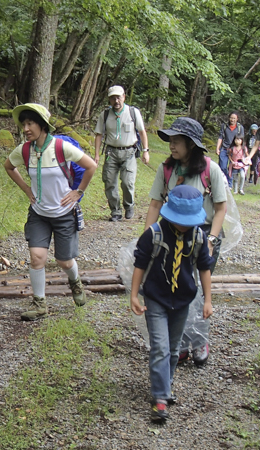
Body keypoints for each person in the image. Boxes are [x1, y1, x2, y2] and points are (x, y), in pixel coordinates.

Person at [145, 117, 226, 366]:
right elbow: (156, 204)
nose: (171, 144)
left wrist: (211, 239)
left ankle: (199, 340)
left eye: (177, 140)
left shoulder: (210, 169)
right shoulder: (166, 168)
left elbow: (221, 208)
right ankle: (178, 343)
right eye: (171, 139)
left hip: (203, 234)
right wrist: (148, 236)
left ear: (191, 144)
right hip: (173, 234)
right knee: (175, 286)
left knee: (197, 289)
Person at [4, 103, 96, 319]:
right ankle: (39, 304)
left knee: (64, 261)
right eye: (23, 124)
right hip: (38, 214)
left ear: (43, 125)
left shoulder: (61, 147)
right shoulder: (24, 150)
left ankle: (75, 283)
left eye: (30, 123)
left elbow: (91, 166)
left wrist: (78, 192)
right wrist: (27, 189)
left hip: (64, 214)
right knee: (37, 258)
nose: (25, 128)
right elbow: (8, 166)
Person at [131, 185, 213, 422]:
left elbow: (204, 268)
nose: (184, 225)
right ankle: (159, 398)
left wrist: (208, 300)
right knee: (160, 347)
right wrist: (134, 295)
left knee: (175, 349)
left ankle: (166, 386)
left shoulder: (198, 236)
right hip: (155, 298)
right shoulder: (154, 233)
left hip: (182, 300)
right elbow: (140, 264)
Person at [94, 85, 150, 221]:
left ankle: (129, 205)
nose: (116, 101)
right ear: (109, 100)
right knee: (109, 182)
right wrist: (96, 155)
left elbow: (142, 132)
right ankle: (115, 211)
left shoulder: (133, 112)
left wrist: (145, 151)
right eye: (113, 98)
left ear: (124, 97)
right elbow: (99, 134)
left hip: (129, 152)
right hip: (111, 153)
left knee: (127, 182)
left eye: (118, 97)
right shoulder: (105, 115)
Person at [215, 111, 244, 187]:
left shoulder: (240, 128)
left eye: (234, 118)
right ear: (229, 118)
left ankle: (229, 184)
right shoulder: (224, 126)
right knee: (223, 166)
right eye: (231, 118)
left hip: (234, 150)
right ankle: (223, 181)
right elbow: (220, 137)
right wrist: (217, 148)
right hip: (224, 149)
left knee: (232, 167)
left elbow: (242, 140)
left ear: (237, 119)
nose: (232, 120)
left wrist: (242, 151)